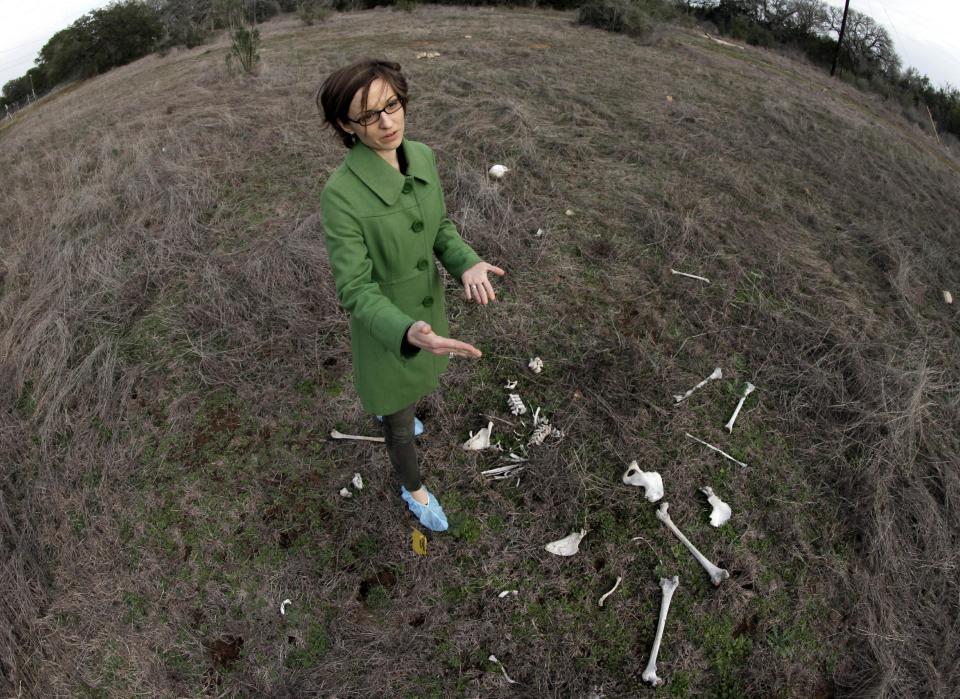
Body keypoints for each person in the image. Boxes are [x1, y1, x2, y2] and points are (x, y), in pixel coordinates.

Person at [317, 58, 505, 532]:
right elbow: (354, 288)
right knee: (398, 422)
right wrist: (406, 331)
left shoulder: (420, 155)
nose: (386, 123)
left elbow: (438, 226)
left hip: (428, 310)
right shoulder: (340, 195)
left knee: (418, 385)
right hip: (389, 333)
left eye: (392, 105)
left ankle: (398, 414)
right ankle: (413, 488)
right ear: (346, 125)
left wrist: (465, 261)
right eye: (367, 116)